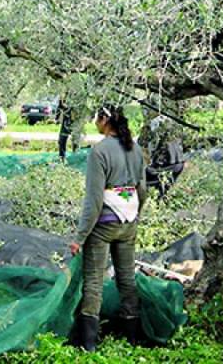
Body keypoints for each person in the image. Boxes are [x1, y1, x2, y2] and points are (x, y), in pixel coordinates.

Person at [69, 104, 147, 352]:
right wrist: (134, 214)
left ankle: (89, 344)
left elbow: (93, 201)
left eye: (96, 118)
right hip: (128, 222)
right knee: (126, 278)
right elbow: (142, 190)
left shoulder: (99, 151)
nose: (94, 122)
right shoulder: (136, 149)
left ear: (104, 120)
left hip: (103, 224)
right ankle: (132, 339)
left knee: (93, 281)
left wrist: (79, 238)